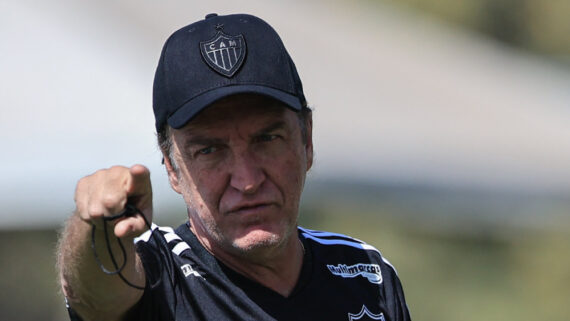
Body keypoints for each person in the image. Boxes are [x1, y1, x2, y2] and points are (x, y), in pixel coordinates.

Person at [57, 13, 411, 321]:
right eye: (210, 150)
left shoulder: (366, 276)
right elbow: (93, 294)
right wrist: (96, 229)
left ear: (307, 141)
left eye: (267, 139)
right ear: (172, 168)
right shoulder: (159, 271)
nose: (248, 180)